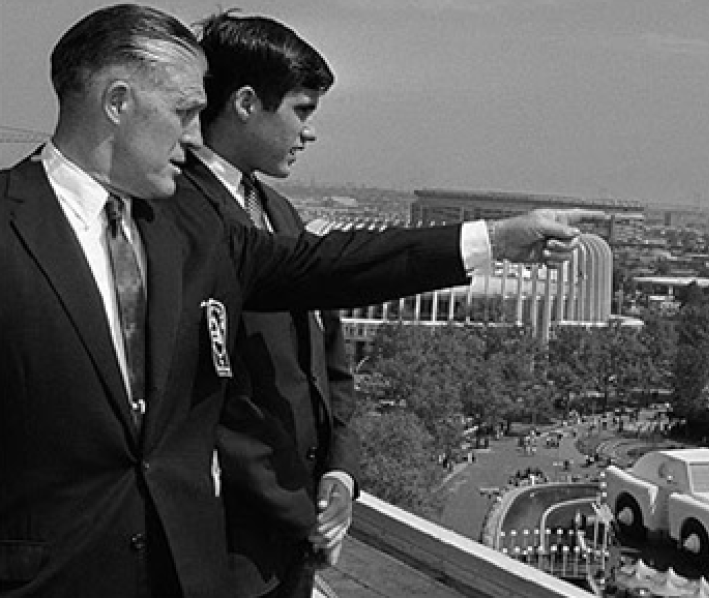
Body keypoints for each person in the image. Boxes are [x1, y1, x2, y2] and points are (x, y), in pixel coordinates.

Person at [0, 5, 599, 596]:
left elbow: (329, 267)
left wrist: (495, 238)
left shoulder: (190, 232)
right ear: (118, 103)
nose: (193, 133)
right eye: (184, 111)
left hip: (189, 574)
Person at [187, 11, 357, 598]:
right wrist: (298, 512)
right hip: (227, 548)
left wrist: (339, 471)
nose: (309, 133)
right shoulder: (183, 220)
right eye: (301, 111)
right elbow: (211, 402)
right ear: (245, 103)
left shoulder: (283, 216)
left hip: (295, 546)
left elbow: (329, 359)